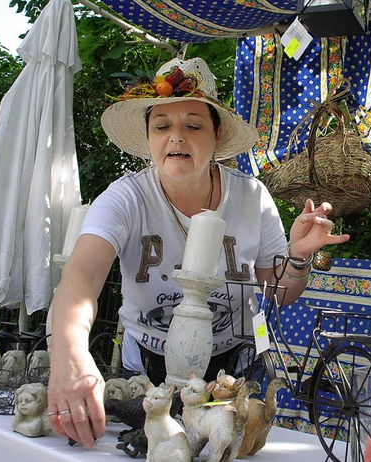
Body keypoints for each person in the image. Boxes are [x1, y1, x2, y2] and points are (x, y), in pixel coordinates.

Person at [46, 57, 349, 448]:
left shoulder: (251, 197)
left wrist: (298, 256)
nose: (176, 137)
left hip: (232, 371)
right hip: (149, 373)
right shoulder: (125, 198)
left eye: (193, 125)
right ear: (149, 138)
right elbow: (83, 276)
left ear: (217, 137)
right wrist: (69, 355)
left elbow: (281, 291)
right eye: (162, 127)